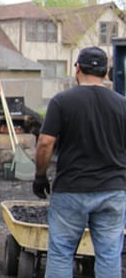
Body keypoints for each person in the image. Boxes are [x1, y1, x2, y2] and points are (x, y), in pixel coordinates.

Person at [32, 46, 126, 277]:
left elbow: (45, 143)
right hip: (113, 190)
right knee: (109, 254)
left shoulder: (62, 101)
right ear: (106, 73)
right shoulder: (122, 104)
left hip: (71, 189)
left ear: (77, 69)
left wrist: (40, 176)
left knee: (62, 252)